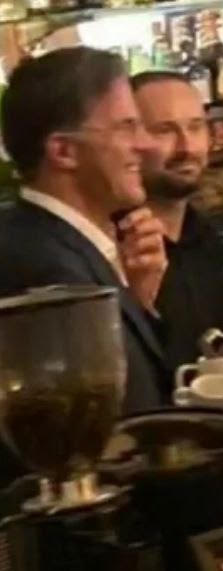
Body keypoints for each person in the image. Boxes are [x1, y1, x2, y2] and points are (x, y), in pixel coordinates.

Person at [0, 47, 169, 413]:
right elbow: (100, 425)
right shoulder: (49, 272)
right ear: (64, 151)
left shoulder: (53, 242)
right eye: (126, 127)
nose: (146, 145)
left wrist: (138, 299)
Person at [131, 70, 223, 371]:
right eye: (164, 130)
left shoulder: (206, 239)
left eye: (195, 127)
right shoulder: (124, 251)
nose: (187, 147)